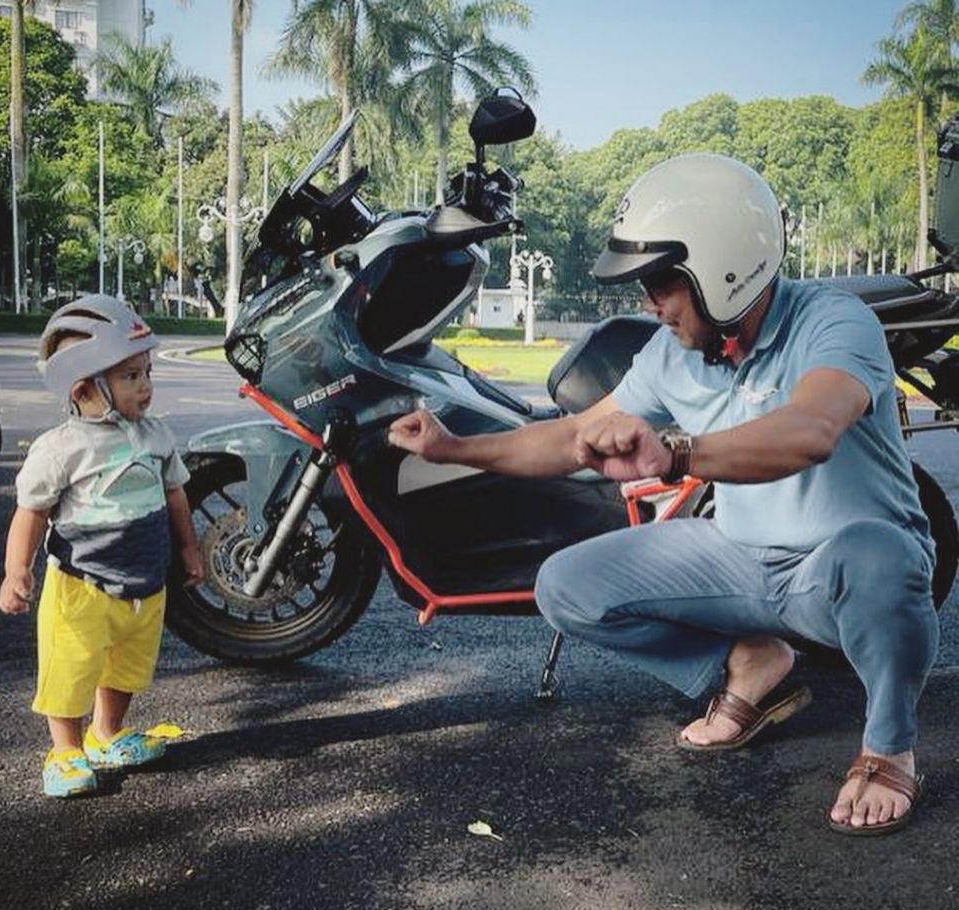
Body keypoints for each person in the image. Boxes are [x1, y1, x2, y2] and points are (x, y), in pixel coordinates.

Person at [388, 153, 937, 836]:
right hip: (739, 560)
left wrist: (679, 454)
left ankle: (889, 745)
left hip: (839, 569)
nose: (649, 302)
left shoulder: (834, 322)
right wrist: (453, 447)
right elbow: (570, 438)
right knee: (565, 586)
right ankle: (751, 661)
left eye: (660, 282)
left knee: (882, 556)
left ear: (723, 270)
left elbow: (810, 431)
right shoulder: (671, 353)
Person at [0, 295, 204, 798]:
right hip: (82, 588)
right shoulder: (62, 448)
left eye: (147, 372)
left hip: (144, 584)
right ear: (86, 388)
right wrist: (16, 571)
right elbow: (32, 513)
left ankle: (107, 732)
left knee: (128, 666)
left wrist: (190, 551)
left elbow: (176, 496)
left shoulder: (155, 435)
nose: (146, 385)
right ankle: (65, 750)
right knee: (70, 670)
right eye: (131, 376)